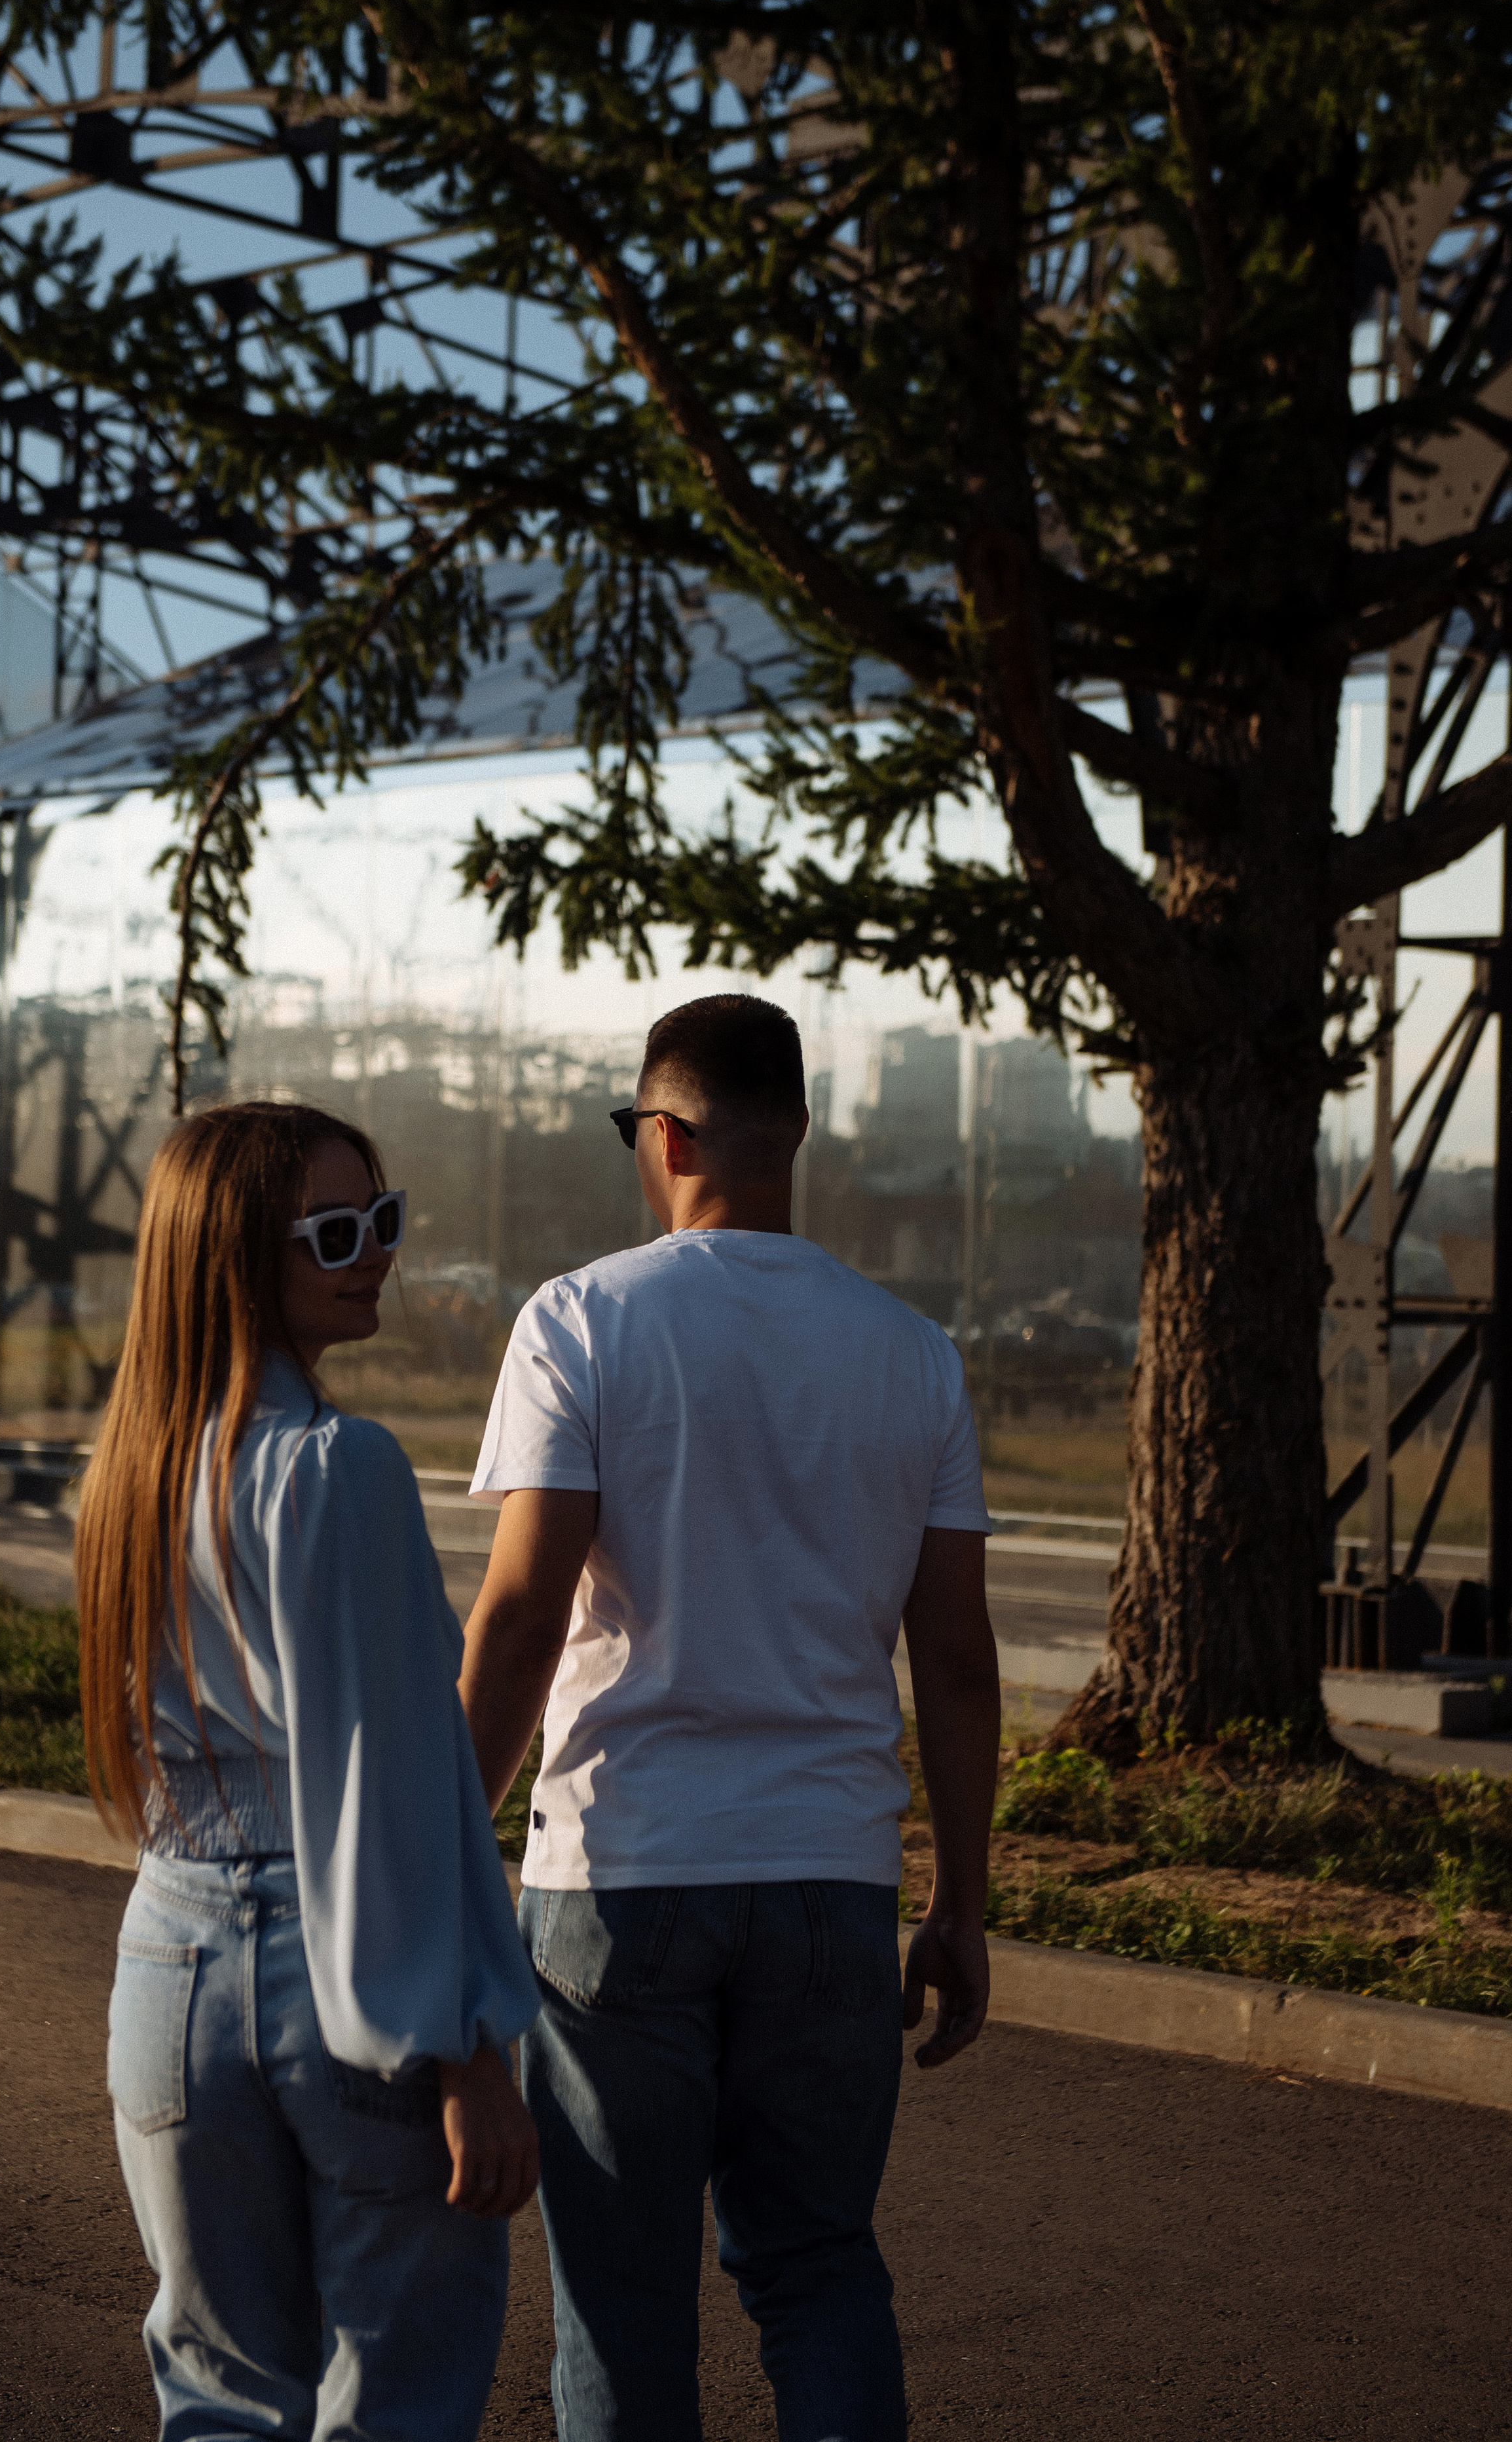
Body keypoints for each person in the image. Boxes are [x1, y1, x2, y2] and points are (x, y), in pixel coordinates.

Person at [459, 994, 999, 2442]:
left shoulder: (580, 1319)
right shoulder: (910, 1353)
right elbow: (952, 1660)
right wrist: (960, 1895)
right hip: (828, 1885)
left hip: (621, 1877)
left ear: (669, 1132)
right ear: (798, 1135)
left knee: (621, 2309)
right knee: (818, 2268)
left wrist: (441, 1846)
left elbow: (519, 1619)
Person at [76, 1099, 540, 2442]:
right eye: (333, 1232)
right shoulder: (337, 1468)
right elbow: (386, 1778)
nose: (375, 1253)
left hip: (168, 1958)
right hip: (342, 1972)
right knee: (395, 2401)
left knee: (220, 2401)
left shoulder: (128, 1478)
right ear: (236, 1257)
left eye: (382, 1220)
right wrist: (464, 2052)